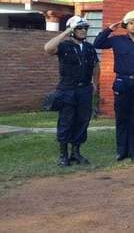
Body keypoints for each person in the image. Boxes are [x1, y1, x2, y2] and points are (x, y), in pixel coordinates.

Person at [93, 10, 134, 162]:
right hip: (122, 82)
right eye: (130, 23)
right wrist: (109, 29)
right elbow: (97, 43)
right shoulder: (117, 40)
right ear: (125, 26)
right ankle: (122, 151)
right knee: (121, 117)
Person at [44, 16, 99, 166]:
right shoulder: (64, 46)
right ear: (72, 30)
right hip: (67, 89)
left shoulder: (89, 47)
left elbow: (96, 66)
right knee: (66, 121)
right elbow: (48, 48)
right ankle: (63, 155)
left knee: (82, 121)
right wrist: (67, 30)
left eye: (85, 28)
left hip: (85, 90)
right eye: (79, 28)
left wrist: (95, 83)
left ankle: (76, 153)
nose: (83, 31)